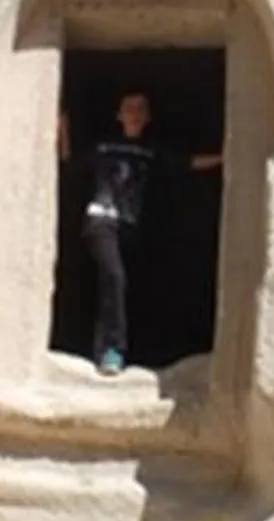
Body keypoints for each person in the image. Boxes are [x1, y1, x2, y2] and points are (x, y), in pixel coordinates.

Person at [63, 89, 221, 376]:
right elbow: (69, 161)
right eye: (128, 108)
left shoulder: (152, 150)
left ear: (147, 117)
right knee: (113, 276)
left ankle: (124, 348)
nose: (134, 113)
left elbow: (188, 163)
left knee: (122, 286)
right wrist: (61, 127)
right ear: (119, 115)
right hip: (101, 219)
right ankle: (111, 351)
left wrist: (228, 155)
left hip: (132, 227)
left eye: (140, 109)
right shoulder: (102, 146)